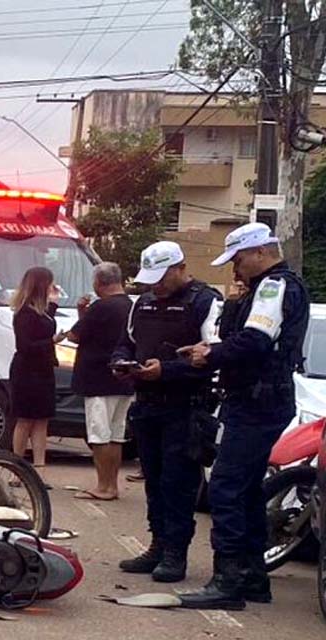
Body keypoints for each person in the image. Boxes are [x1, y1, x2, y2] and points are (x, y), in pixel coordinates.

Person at [178, 223, 310, 610]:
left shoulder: (273, 286)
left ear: (259, 253)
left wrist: (212, 355)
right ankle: (252, 577)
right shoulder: (273, 287)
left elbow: (255, 341)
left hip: (257, 401)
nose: (235, 268)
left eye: (238, 259)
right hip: (261, 398)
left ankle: (228, 581)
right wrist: (211, 346)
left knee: (227, 487)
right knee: (248, 489)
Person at [112, 241, 222, 583]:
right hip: (147, 405)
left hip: (185, 408)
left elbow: (212, 358)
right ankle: (158, 545)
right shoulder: (142, 303)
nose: (155, 286)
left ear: (180, 268)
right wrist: (119, 362)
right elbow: (126, 342)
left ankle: (176, 553)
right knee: (155, 482)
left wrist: (169, 370)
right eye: (150, 279)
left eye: (161, 278)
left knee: (178, 484)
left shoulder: (205, 302)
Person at [66, 262, 134, 501]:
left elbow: (75, 335)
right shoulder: (130, 305)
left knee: (98, 435)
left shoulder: (100, 307)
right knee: (116, 435)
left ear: (99, 282)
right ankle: (112, 484)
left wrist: (82, 314)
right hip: (124, 377)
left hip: (97, 377)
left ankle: (103, 486)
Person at [9, 267, 65, 483]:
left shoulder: (41, 311)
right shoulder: (23, 312)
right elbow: (25, 345)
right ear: (41, 284)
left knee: (42, 420)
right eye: (50, 282)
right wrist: (51, 342)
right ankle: (17, 469)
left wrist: (54, 304)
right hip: (27, 370)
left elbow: (45, 325)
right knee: (25, 420)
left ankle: (39, 470)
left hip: (43, 369)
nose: (53, 286)